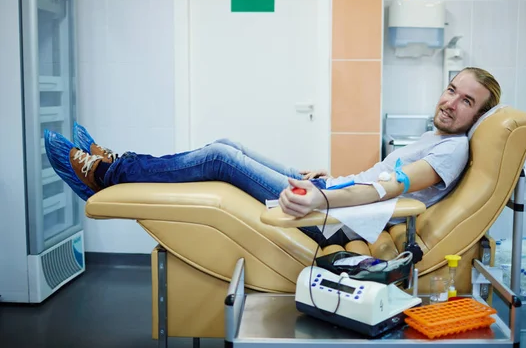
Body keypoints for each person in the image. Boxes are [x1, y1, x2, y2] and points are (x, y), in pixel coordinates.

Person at [45, 67, 501, 246]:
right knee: (231, 144)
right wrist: (336, 178)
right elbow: (382, 174)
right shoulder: (434, 135)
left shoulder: (453, 149)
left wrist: (322, 200)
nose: (451, 102)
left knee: (221, 158)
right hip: (335, 195)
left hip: (333, 218)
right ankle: (123, 162)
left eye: (466, 102)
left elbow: (394, 188)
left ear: (479, 114)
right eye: (451, 90)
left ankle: (109, 172)